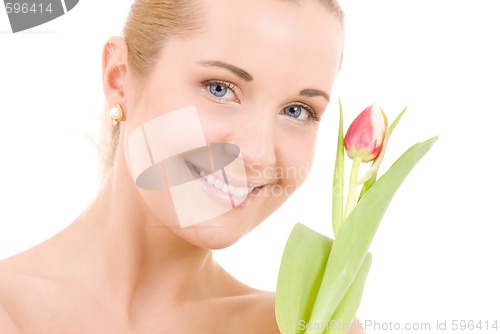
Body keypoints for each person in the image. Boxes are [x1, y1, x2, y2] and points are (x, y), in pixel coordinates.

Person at [0, 0, 364, 332]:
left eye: (297, 110)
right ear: (119, 77)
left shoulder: (304, 327)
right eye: (220, 88)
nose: (257, 153)